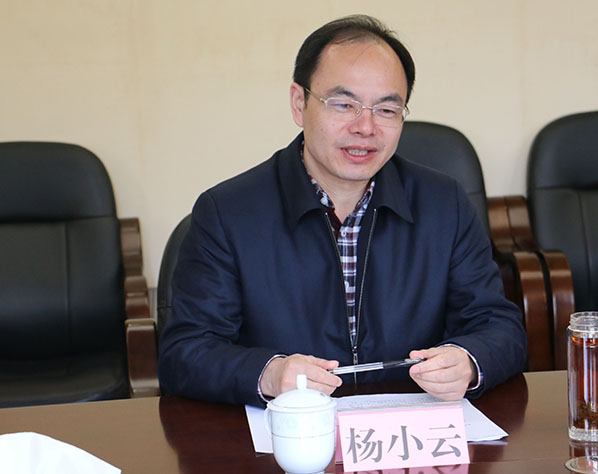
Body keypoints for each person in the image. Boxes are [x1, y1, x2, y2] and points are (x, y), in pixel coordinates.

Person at [158, 14, 527, 407]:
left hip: (408, 428)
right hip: (291, 430)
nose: (365, 127)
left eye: (387, 110)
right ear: (299, 103)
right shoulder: (228, 213)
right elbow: (185, 353)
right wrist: (269, 373)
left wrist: (468, 361)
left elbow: (500, 326)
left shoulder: (444, 203)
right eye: (344, 104)